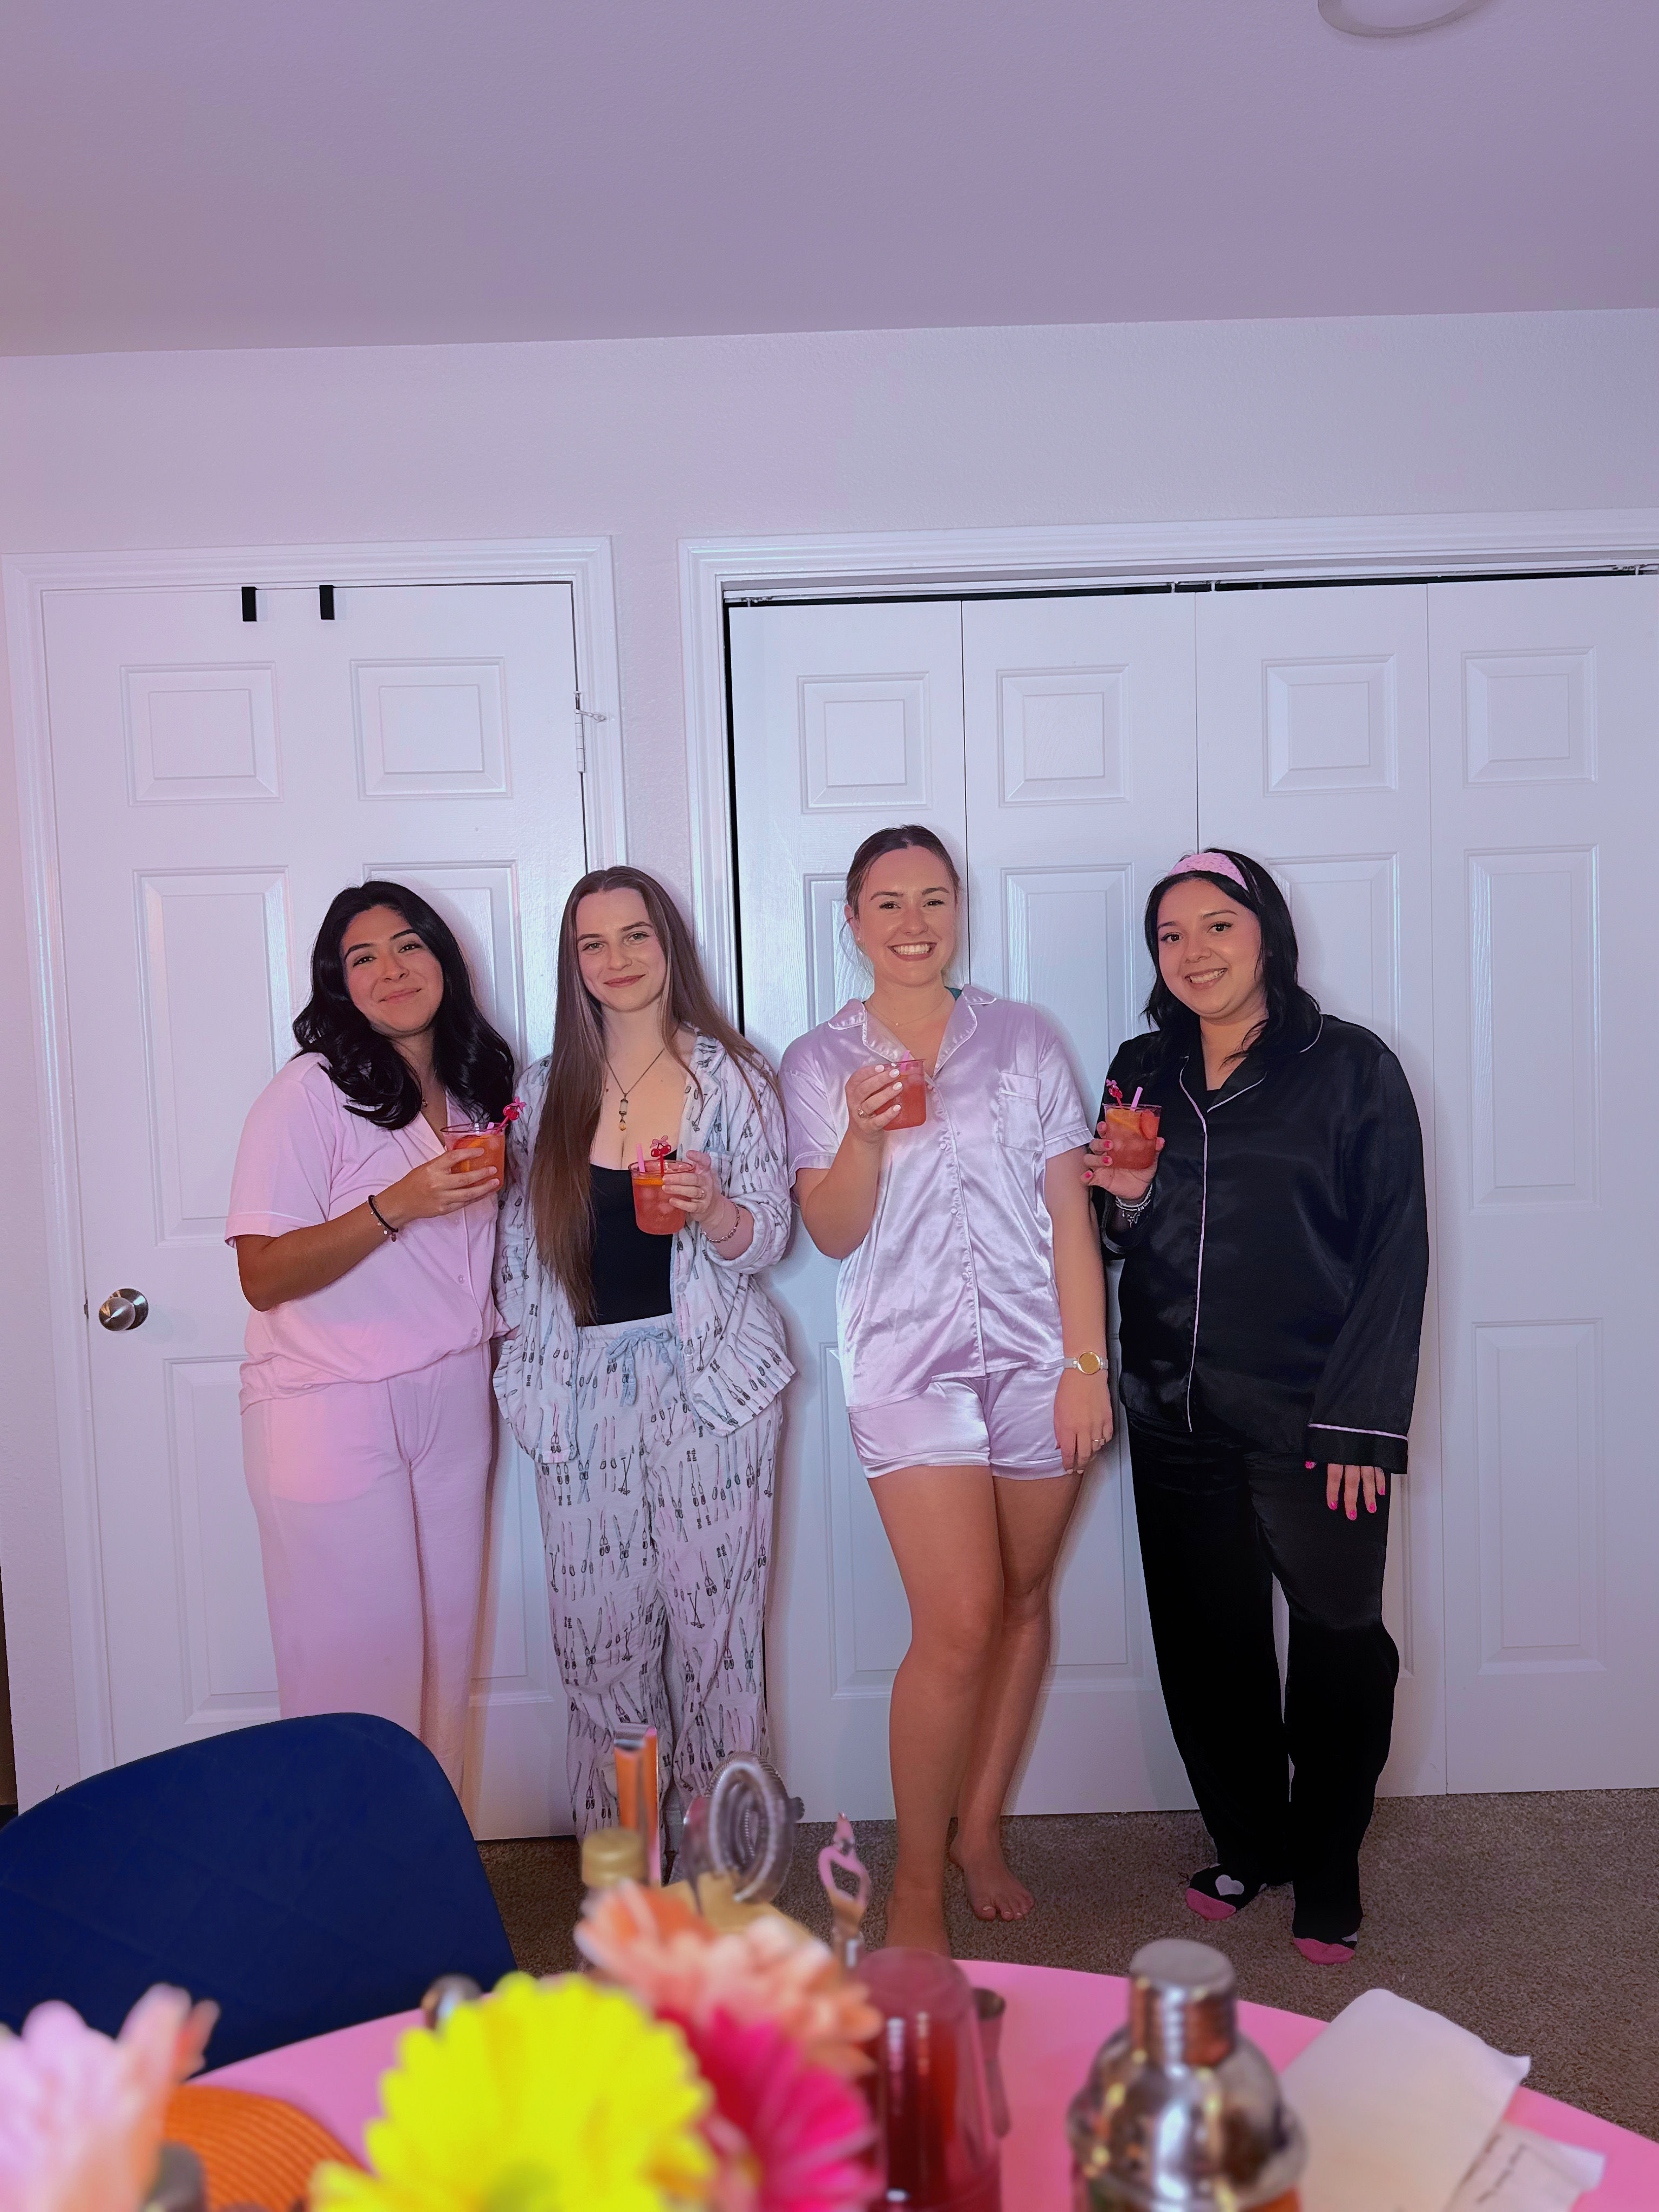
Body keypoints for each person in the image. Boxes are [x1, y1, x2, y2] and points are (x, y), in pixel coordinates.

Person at [1086, 848, 1428, 1965]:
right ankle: (1249, 1840)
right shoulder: (1141, 1069)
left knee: (1340, 1643)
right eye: (1171, 935)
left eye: (1217, 926)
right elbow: (1119, 1235)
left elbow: (1395, 1251)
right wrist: (1125, 1204)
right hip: (1173, 1409)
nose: (1194, 952)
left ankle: (1327, 1860)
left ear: (1266, 933)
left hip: (1311, 1417)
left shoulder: (1353, 1068)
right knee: (1207, 1644)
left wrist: (1364, 1423)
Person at [781, 824, 1111, 1954]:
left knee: (1022, 1598)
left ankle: (979, 1832)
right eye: (888, 902)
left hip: (1038, 1361)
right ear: (853, 922)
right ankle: (915, 1883)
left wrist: (1085, 1366)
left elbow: (1070, 1215)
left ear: (959, 909)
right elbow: (831, 1232)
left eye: (934, 898)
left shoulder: (1024, 1038)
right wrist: (864, 1139)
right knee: (959, 1619)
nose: (914, 922)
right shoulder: (818, 1061)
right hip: (907, 1367)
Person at [493, 867, 794, 1836]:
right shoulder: (542, 1092)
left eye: (635, 937)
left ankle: (723, 1872)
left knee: (719, 1643)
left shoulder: (735, 1077)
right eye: (594, 943)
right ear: (573, 963)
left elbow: (770, 1238)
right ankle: (628, 1873)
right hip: (580, 1395)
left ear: (669, 945)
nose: (616, 959)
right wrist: (524, 1388)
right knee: (600, 1646)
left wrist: (717, 1209)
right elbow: (517, 1261)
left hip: (712, 1387)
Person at [227, 881, 514, 1790]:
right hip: (331, 1406)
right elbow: (263, 1273)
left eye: (409, 946)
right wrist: (397, 1205)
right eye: (363, 958)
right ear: (338, 982)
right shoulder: (307, 1094)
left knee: (444, 1669)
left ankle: (425, 1869)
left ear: (443, 959)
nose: (392, 970)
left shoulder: (475, 1091)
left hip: (453, 1398)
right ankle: (341, 1877)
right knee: (353, 1681)